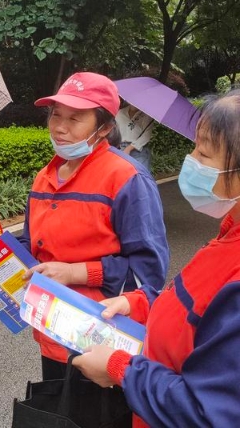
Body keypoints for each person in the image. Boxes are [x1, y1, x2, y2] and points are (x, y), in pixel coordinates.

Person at [73, 90, 240, 427]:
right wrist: (142, 306)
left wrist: (121, 368)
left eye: (204, 152)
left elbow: (209, 414)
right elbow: (196, 309)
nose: (190, 160)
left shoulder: (128, 177)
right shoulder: (228, 234)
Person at [20, 72, 169, 381]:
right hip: (50, 331)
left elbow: (148, 275)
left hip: (101, 342)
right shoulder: (44, 177)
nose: (59, 127)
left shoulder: (127, 179)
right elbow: (30, 244)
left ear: (105, 128)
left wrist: (74, 272)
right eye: (56, 115)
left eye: (75, 119)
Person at [115, 102, 154, 171]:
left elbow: (146, 136)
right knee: (124, 177)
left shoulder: (147, 116)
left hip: (139, 151)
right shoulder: (120, 113)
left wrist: (129, 148)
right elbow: (115, 131)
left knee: (141, 177)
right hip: (121, 149)